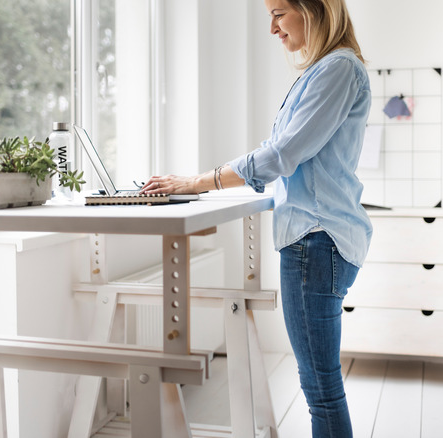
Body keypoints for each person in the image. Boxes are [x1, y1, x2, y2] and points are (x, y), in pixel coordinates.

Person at [141, 0, 370, 435]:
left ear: (315, 8)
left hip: (316, 239)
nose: (273, 29)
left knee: (320, 388)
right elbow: (282, 150)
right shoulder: (324, 70)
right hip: (315, 239)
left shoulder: (338, 69)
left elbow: (282, 155)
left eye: (279, 13)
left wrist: (197, 182)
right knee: (320, 383)